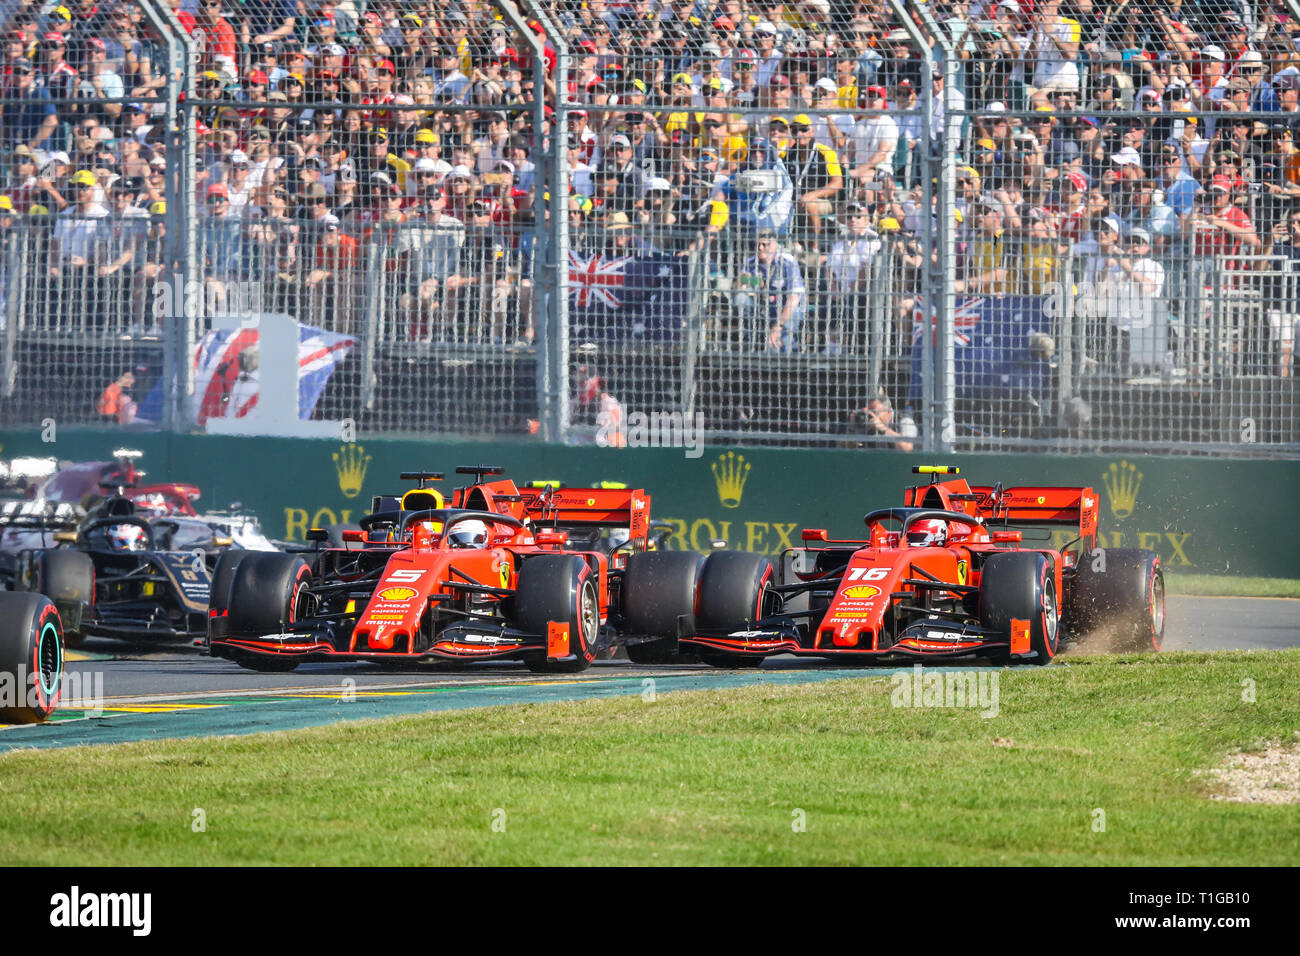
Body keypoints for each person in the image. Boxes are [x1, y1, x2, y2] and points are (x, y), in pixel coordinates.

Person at [737, 228, 805, 352]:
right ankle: (751, 339)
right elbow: (738, 285)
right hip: (763, 310)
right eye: (757, 244)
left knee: (776, 350)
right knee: (740, 298)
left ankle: (787, 354)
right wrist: (753, 281)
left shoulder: (787, 262)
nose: (760, 248)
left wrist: (778, 325)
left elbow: (794, 298)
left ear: (775, 245)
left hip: (786, 311)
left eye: (765, 244)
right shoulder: (750, 262)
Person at [844, 391, 917, 452]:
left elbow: (907, 449)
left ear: (888, 412)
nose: (873, 416)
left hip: (909, 466)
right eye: (870, 412)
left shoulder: (905, 421)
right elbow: (845, 449)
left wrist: (883, 428)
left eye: (875, 413)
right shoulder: (867, 421)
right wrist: (852, 428)